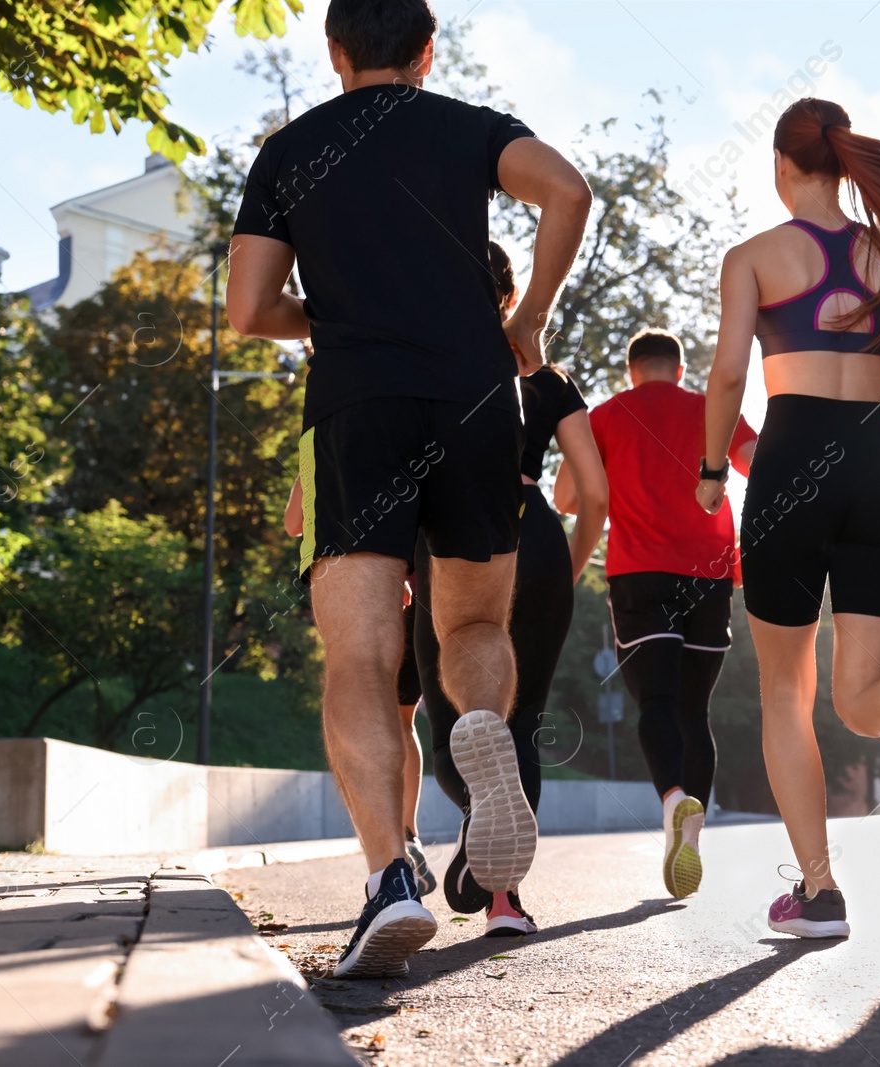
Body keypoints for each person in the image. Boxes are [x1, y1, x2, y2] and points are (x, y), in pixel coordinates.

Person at [226, 0, 591, 978]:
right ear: (428, 52)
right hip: (475, 400)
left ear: (334, 52)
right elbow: (566, 190)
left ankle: (391, 875)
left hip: (356, 405)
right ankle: (482, 729)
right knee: (471, 628)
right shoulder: (465, 126)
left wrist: (329, 315)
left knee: (360, 648)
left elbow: (247, 306)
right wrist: (529, 322)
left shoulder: (290, 150)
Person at [699, 97, 880, 939]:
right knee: (864, 697)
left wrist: (714, 472)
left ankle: (819, 894)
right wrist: (861, 449)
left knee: (787, 692)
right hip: (878, 469)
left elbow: (724, 378)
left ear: (784, 168)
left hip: (789, 470)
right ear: (844, 162)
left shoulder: (754, 256)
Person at [412, 242, 609, 936]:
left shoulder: (430, 365)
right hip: (539, 538)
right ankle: (505, 899)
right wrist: (569, 565)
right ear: (511, 296)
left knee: (452, 719)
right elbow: (595, 491)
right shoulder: (550, 381)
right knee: (518, 721)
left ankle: (476, 821)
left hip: (452, 541)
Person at [571, 328, 757, 899]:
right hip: (710, 575)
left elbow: (565, 498)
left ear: (633, 371)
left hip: (639, 575)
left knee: (655, 702)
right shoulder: (713, 411)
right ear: (679, 370)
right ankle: (692, 841)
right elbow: (765, 470)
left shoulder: (603, 416)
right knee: (693, 712)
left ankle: (673, 799)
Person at [284, 483, 436, 897]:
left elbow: (294, 523)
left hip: (364, 584)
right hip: (426, 584)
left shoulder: (326, 433)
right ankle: (410, 833)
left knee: (361, 694)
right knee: (404, 717)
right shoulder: (418, 426)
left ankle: (389, 859)